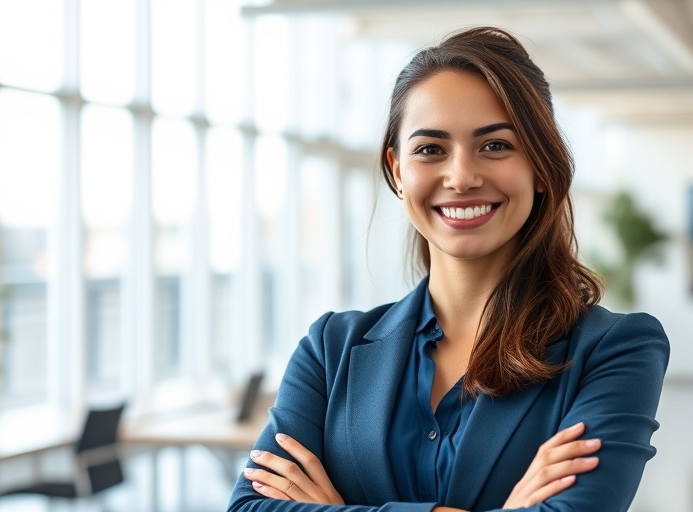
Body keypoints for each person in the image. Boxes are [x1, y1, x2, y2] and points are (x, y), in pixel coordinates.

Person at [227, 26, 669, 512]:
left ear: (541, 166)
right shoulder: (330, 350)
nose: (462, 176)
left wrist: (336, 507)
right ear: (397, 171)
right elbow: (251, 506)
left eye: (496, 145)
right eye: (431, 149)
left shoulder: (615, 351)